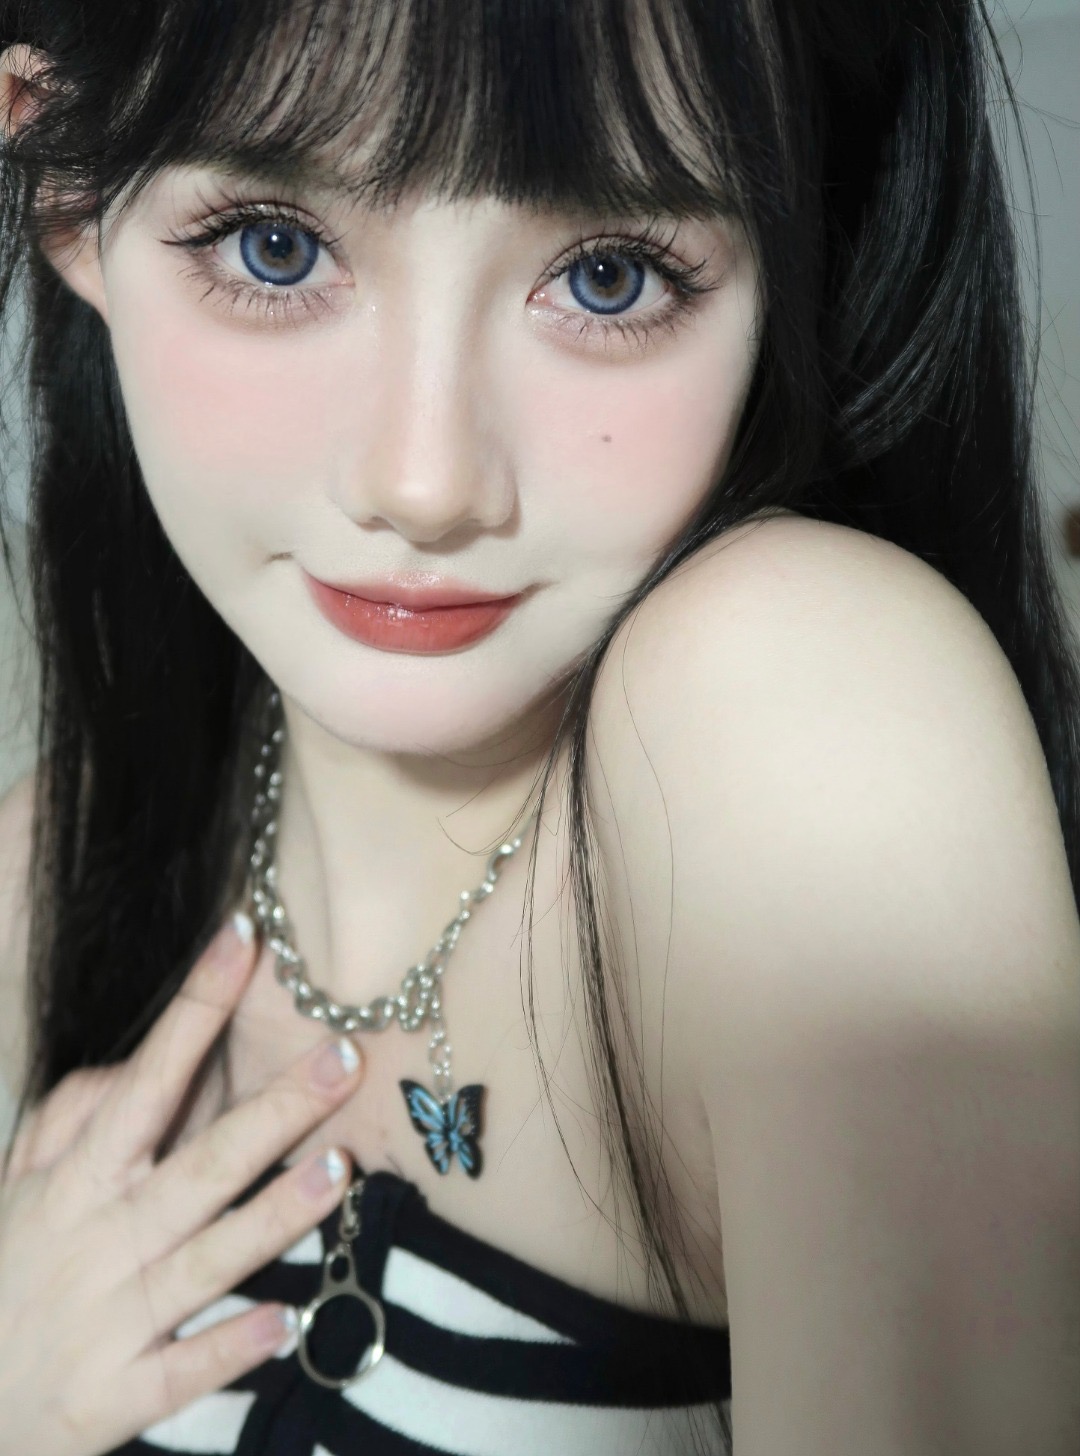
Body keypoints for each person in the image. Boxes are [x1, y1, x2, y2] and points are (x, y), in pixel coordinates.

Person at [0, 0, 1078, 1452]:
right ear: (69, 187)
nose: (427, 481)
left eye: (608, 276)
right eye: (275, 246)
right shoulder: (41, 884)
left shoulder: (800, 715)